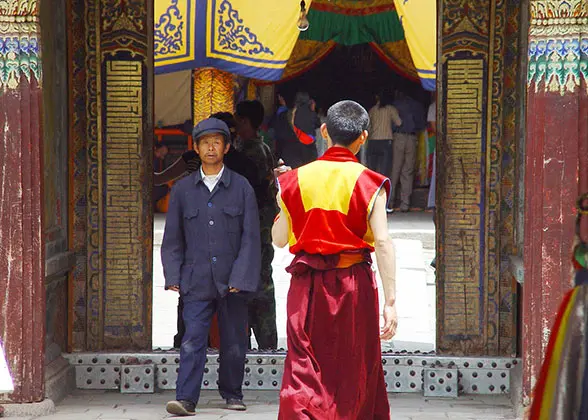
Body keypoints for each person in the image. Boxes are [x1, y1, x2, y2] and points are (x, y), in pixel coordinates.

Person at [272, 100, 398, 419]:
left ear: (324, 131)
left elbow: (278, 239)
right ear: (363, 137)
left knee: (304, 367)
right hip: (353, 284)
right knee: (354, 367)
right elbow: (382, 241)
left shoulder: (294, 180)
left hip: (306, 288)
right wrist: (391, 302)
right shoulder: (370, 183)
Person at [162, 118, 261, 416]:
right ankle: (186, 399)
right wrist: (173, 275)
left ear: (227, 147)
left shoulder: (241, 188)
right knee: (192, 340)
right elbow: (172, 238)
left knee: (234, 342)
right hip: (196, 279)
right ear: (196, 147)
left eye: (217, 142)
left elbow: (251, 238)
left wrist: (242, 276)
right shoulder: (182, 191)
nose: (211, 147)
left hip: (232, 280)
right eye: (205, 142)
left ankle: (232, 393)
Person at [235, 100, 279, 350]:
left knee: (260, 283)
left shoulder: (253, 151)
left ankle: (266, 341)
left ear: (245, 121)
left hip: (257, 225)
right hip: (258, 224)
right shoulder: (256, 147)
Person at [390, 91, 427, 212]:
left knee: (395, 169)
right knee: (408, 171)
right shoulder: (417, 105)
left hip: (398, 138)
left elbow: (391, 124)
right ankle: (405, 204)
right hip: (412, 138)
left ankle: (390, 202)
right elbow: (421, 125)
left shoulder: (394, 105)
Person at [272, 92, 321, 169]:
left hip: (289, 156)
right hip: (307, 157)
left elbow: (279, 137)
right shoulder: (311, 116)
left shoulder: (284, 114)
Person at [368, 92, 402, 177]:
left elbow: (368, 127)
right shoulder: (391, 109)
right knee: (385, 169)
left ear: (376, 97)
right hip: (386, 142)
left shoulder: (372, 110)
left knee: (372, 169)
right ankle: (383, 188)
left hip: (373, 141)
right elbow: (399, 123)